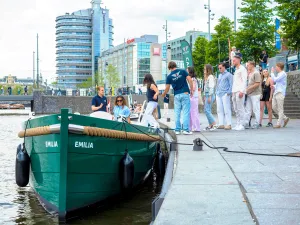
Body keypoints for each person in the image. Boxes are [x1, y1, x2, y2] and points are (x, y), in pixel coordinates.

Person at [162, 61, 194, 135]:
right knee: (185, 112)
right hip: (185, 93)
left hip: (176, 95)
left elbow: (167, 88)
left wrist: (163, 94)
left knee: (177, 112)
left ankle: (177, 130)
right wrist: (191, 90)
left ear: (169, 68)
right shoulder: (183, 71)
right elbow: (190, 80)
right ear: (175, 65)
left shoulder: (169, 76)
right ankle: (185, 130)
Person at [271, 63, 289, 128]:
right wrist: (274, 86)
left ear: (279, 67)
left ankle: (278, 123)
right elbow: (279, 84)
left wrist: (272, 73)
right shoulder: (279, 74)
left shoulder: (283, 74)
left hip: (280, 93)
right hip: (276, 92)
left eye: (276, 67)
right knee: (273, 107)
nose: (275, 68)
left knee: (280, 108)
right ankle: (285, 118)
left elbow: (275, 80)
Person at [232, 55, 248, 131]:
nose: (233, 62)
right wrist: (233, 91)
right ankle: (238, 123)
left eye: (234, 60)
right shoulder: (236, 69)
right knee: (236, 108)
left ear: (238, 60)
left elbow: (244, 81)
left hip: (239, 91)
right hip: (235, 90)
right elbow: (235, 81)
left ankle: (242, 124)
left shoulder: (242, 69)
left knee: (240, 108)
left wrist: (242, 91)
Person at [244, 61, 262, 129]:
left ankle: (257, 123)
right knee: (248, 109)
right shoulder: (250, 73)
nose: (247, 66)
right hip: (249, 94)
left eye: (248, 65)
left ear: (252, 65)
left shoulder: (256, 73)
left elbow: (257, 84)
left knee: (256, 109)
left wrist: (248, 88)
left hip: (255, 94)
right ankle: (246, 123)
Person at [216, 62, 233, 130]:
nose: (219, 69)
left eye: (220, 68)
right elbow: (218, 84)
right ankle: (221, 123)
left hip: (225, 93)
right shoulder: (219, 75)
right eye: (218, 68)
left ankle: (229, 124)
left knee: (227, 109)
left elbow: (231, 84)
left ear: (224, 67)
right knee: (219, 109)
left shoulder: (229, 75)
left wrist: (228, 92)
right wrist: (216, 91)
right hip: (219, 93)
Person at [203, 64, 217, 131]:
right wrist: (205, 95)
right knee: (207, 110)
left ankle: (214, 124)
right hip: (207, 95)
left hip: (209, 95)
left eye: (205, 69)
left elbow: (211, 87)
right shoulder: (207, 77)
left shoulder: (210, 77)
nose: (204, 70)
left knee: (207, 110)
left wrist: (209, 96)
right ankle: (210, 124)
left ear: (208, 70)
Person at [188, 66, 201, 132]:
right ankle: (192, 127)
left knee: (193, 113)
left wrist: (190, 92)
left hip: (192, 97)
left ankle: (196, 127)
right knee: (192, 113)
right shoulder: (193, 79)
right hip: (193, 97)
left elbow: (192, 88)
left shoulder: (192, 79)